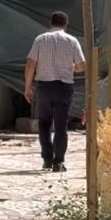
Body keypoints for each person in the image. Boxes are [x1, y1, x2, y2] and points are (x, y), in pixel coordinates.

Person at [24, 11, 85, 172]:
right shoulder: (72, 41)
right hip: (64, 87)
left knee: (44, 123)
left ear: (50, 23)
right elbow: (82, 65)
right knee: (61, 125)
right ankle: (59, 161)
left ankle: (47, 158)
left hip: (44, 87)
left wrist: (27, 87)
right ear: (66, 24)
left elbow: (30, 64)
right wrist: (72, 68)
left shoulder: (40, 40)